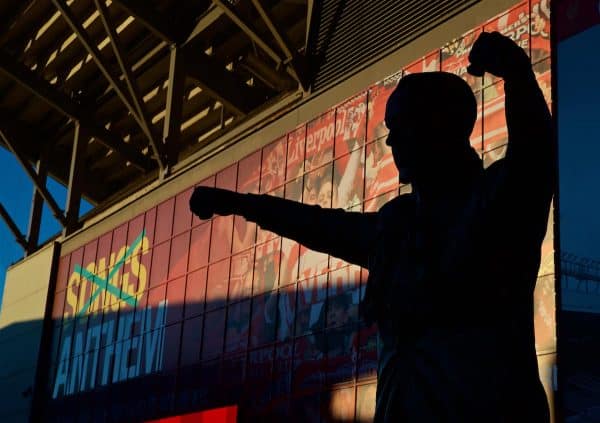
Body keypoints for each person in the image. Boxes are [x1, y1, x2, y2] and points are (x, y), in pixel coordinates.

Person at [189, 32, 553, 422]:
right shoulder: (397, 225)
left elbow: (535, 154)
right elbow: (319, 225)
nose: (391, 140)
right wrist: (241, 204)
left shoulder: (495, 202)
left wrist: (516, 71)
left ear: (438, 129)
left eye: (401, 125)